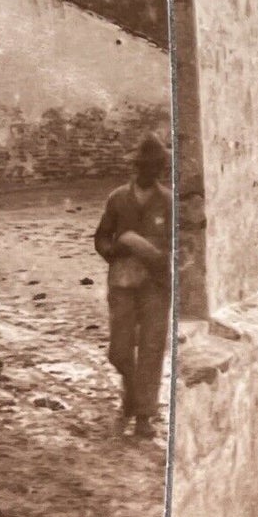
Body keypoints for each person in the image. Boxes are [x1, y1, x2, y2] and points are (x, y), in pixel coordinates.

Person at [94, 133, 172, 437]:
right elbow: (101, 237)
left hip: (156, 284)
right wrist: (115, 251)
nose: (149, 171)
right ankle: (132, 395)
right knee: (120, 351)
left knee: (152, 348)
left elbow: (181, 246)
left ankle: (143, 417)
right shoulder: (117, 199)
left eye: (155, 166)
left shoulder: (167, 201)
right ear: (135, 167)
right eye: (144, 166)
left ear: (161, 168)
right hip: (122, 282)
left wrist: (158, 255)